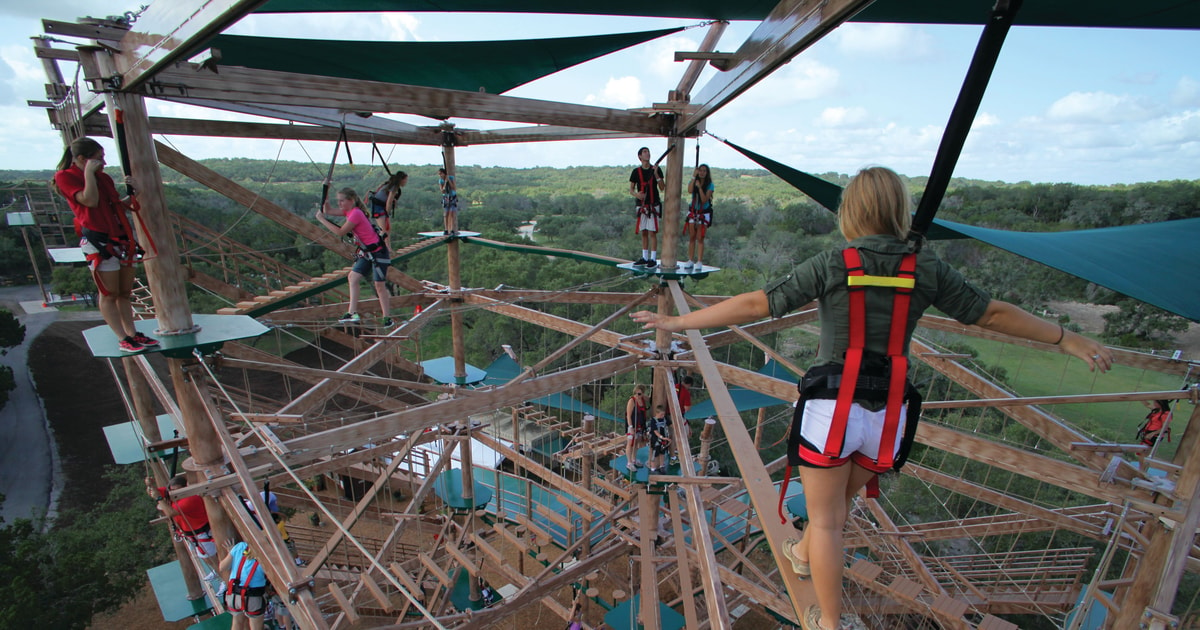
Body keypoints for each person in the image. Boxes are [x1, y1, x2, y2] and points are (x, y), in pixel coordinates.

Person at [631, 166, 1113, 630]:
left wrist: (677, 323)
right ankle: (802, 555)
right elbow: (988, 314)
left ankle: (830, 620)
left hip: (831, 407)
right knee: (838, 507)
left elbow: (760, 303)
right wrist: (1064, 337)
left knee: (826, 522)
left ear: (852, 213)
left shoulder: (834, 264)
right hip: (890, 415)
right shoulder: (926, 268)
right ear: (898, 211)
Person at [53, 137, 158, 353]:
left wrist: (134, 193)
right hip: (98, 241)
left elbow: (115, 208)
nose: (103, 162)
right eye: (99, 159)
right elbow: (89, 201)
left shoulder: (104, 178)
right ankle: (122, 337)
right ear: (82, 159)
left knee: (124, 292)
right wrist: (89, 174)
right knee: (109, 294)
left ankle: (131, 333)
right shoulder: (65, 177)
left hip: (119, 237)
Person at [316, 187, 393, 326]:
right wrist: (325, 192)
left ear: (351, 201)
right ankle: (352, 312)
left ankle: (387, 317)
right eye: (338, 201)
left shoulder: (355, 214)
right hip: (367, 251)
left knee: (379, 286)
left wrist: (322, 220)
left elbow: (340, 232)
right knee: (353, 277)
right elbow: (328, 210)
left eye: (341, 201)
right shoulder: (350, 211)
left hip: (378, 252)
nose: (339, 204)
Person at [146, 475, 218, 573]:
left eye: (176, 491)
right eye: (171, 491)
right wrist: (150, 485)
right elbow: (153, 492)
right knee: (205, 556)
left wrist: (159, 498)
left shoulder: (190, 498)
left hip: (202, 532)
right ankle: (217, 571)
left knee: (211, 558)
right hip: (192, 533)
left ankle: (223, 575)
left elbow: (170, 512)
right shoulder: (171, 493)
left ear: (184, 488)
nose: (173, 493)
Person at [220, 540, 269, 630]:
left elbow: (222, 567)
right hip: (253, 598)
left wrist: (232, 552)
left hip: (233, 596)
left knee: (237, 623)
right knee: (256, 627)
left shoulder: (240, 546)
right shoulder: (266, 556)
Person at [628, 147, 664, 267]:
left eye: (648, 152)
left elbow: (662, 187)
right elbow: (631, 189)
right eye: (644, 152)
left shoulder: (656, 170)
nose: (647, 154)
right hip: (642, 205)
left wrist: (656, 174)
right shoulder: (636, 172)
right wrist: (637, 195)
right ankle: (644, 257)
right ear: (640, 156)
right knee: (644, 231)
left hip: (653, 204)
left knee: (652, 232)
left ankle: (653, 259)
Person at [682, 164, 714, 270]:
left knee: (700, 238)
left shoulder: (710, 185)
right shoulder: (694, 182)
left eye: (704, 171)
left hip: (703, 212)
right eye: (700, 171)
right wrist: (693, 177)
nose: (702, 173)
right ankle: (690, 260)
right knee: (692, 237)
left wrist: (700, 188)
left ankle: (699, 261)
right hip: (693, 211)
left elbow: (704, 199)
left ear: (707, 173)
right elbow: (690, 190)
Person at [368, 170, 407, 238]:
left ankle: (388, 247)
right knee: (383, 230)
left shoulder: (390, 184)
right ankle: (384, 247)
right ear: (401, 180)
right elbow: (389, 202)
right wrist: (387, 213)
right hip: (378, 207)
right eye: (405, 180)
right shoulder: (394, 187)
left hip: (379, 206)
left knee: (387, 230)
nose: (406, 182)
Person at [624, 385, 650, 470]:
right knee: (630, 443)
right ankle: (629, 462)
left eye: (639, 393)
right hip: (633, 425)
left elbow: (650, 399)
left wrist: (652, 389)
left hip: (640, 425)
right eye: (636, 393)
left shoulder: (643, 399)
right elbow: (628, 415)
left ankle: (634, 459)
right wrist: (630, 427)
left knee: (637, 442)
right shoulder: (632, 401)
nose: (637, 395)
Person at [649, 404, 672, 473]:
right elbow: (655, 431)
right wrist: (662, 437)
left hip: (664, 439)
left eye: (663, 415)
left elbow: (670, 425)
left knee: (662, 453)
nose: (662, 416)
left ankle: (661, 466)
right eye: (661, 415)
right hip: (656, 439)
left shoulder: (664, 419)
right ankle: (653, 467)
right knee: (655, 453)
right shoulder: (653, 420)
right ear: (657, 413)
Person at [438, 167, 458, 235]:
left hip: (452, 197)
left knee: (451, 213)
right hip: (446, 197)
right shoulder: (440, 180)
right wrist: (445, 183)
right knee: (446, 214)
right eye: (439, 174)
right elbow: (442, 191)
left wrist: (448, 180)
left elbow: (453, 188)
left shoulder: (451, 178)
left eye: (441, 174)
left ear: (444, 173)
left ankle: (452, 229)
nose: (440, 175)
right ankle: (446, 229)